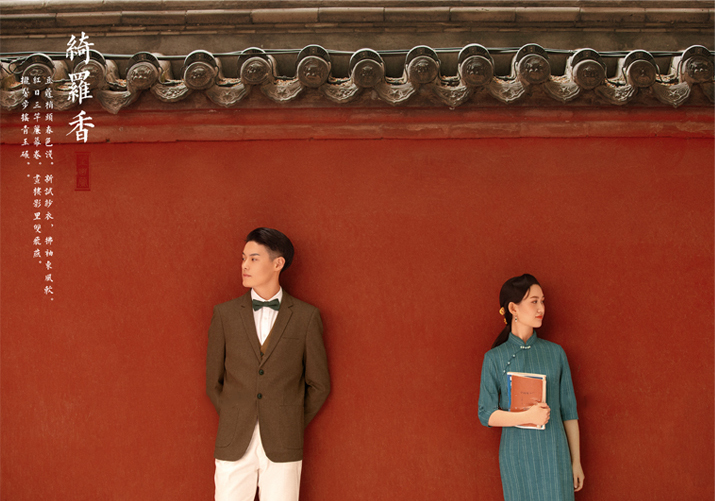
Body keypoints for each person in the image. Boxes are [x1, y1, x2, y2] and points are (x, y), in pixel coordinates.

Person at [206, 227, 331, 501]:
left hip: (284, 442)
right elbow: (213, 382)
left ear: (278, 264)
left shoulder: (306, 317)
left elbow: (320, 384)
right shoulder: (225, 315)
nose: (244, 265)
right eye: (243, 258)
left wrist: (288, 419)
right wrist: (235, 414)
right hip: (233, 441)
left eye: (253, 259)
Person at [478, 274, 584, 500]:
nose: (541, 308)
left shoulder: (555, 353)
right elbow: (486, 414)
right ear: (513, 308)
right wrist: (527, 416)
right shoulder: (494, 358)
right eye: (534, 301)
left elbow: (569, 413)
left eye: (542, 301)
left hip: (555, 453)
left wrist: (576, 462)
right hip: (516, 457)